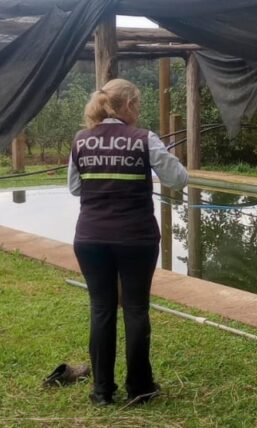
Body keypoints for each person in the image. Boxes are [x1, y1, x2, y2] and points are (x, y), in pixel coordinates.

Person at [67, 78, 188, 406]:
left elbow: (76, 189)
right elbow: (178, 178)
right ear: (130, 106)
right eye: (137, 104)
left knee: (101, 309)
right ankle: (140, 387)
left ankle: (102, 391)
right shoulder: (144, 139)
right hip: (136, 238)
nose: (139, 110)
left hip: (90, 237)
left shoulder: (81, 140)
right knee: (135, 309)